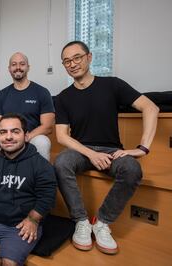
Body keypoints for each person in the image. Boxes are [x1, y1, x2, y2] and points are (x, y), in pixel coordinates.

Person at [54, 41, 159, 254]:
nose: (72, 64)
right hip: (82, 152)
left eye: (77, 58)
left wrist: (142, 148)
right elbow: (62, 136)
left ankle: (101, 222)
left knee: (132, 169)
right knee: (61, 161)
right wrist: (91, 153)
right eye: (66, 61)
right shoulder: (63, 97)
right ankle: (81, 222)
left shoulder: (113, 85)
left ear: (89, 57)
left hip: (112, 151)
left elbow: (150, 107)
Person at [0, 52, 55, 211]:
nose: (18, 67)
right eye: (14, 64)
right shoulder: (3, 94)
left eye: (22, 64)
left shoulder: (41, 92)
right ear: (9, 69)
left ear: (28, 67)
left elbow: (48, 125)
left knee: (44, 142)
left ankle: (38, 192)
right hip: (6, 139)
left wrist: (28, 137)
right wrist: (5, 140)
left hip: (29, 140)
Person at [0, 113, 57, 266]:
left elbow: (47, 198)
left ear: (26, 135)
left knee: (9, 262)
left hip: (21, 224)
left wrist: (33, 219)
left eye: (15, 131)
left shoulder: (41, 165)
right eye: (3, 132)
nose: (8, 137)